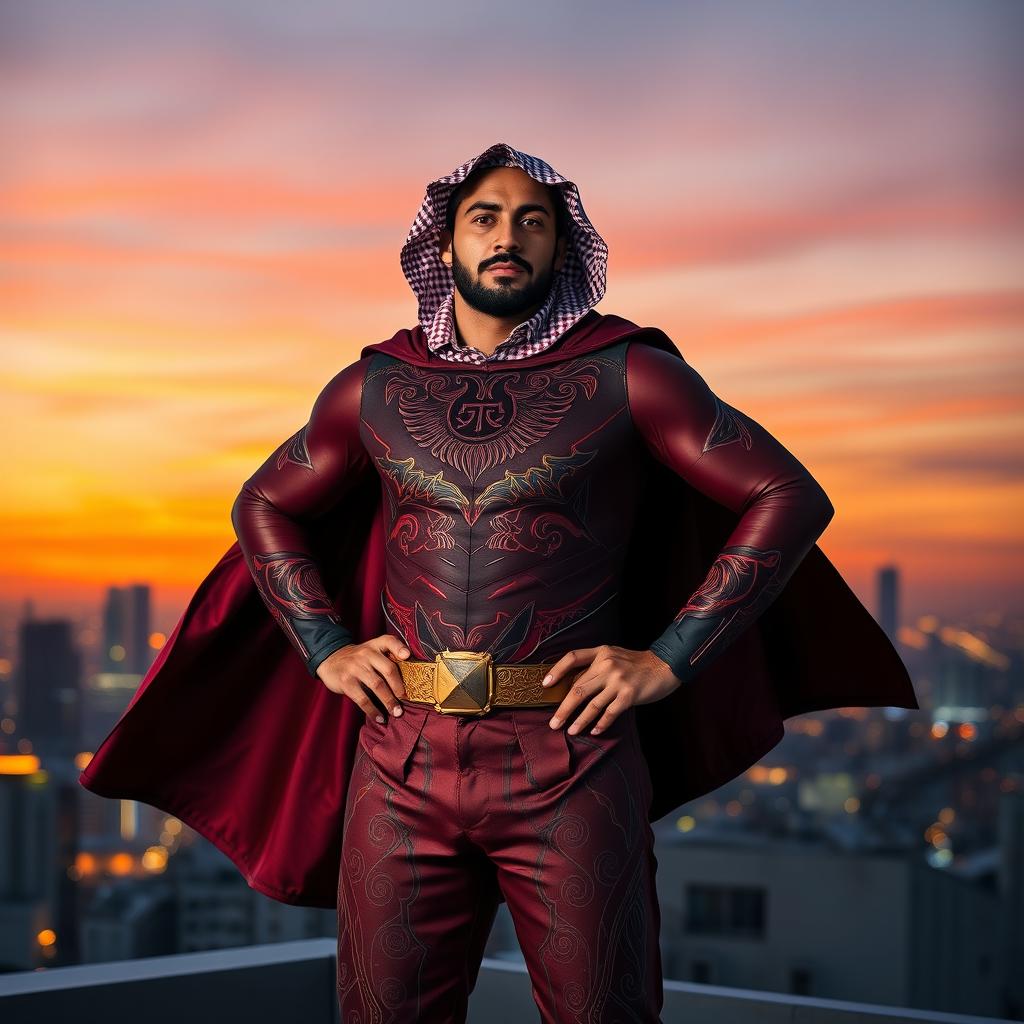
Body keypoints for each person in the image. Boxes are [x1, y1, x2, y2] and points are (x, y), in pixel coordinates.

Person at [79, 142, 919, 1023]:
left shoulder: (630, 372)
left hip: (573, 760)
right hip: (397, 760)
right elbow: (263, 504)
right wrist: (326, 648)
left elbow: (787, 493)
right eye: (484, 218)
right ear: (444, 247)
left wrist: (666, 660)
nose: (507, 236)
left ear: (563, 248)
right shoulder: (375, 385)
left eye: (532, 220)